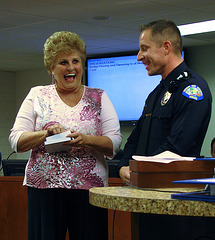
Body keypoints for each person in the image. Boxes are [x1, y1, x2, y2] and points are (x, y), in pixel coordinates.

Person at [9, 31, 122, 240]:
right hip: (45, 188)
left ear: (82, 64)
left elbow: (114, 143)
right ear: (51, 69)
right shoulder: (37, 95)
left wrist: (86, 139)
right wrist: (46, 134)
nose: (71, 67)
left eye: (75, 61)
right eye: (63, 62)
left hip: (90, 190)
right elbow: (16, 140)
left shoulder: (99, 97)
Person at [117, 19, 214, 239]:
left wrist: (140, 170)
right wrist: (123, 166)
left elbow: (177, 147)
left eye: (144, 49)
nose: (139, 57)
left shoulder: (193, 90)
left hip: (174, 202)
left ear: (166, 47)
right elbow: (135, 139)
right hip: (146, 196)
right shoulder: (156, 93)